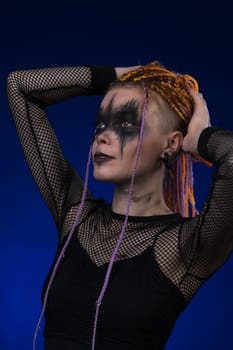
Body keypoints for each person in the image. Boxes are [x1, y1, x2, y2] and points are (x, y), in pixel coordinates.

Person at [7, 61, 233, 350]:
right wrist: (125, 76)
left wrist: (201, 135)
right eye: (101, 123)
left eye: (126, 123)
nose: (102, 134)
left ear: (173, 143)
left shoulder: (185, 247)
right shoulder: (78, 216)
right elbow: (20, 86)